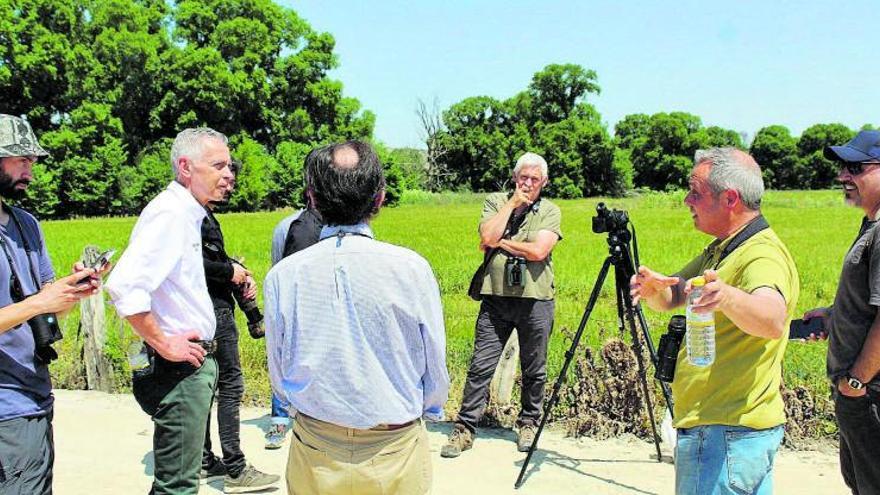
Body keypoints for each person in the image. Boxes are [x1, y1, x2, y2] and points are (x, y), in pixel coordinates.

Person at [264, 141, 448, 494]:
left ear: (313, 199)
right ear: (379, 198)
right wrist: (428, 409)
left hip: (316, 448)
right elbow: (434, 367)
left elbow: (279, 369)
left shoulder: (284, 276)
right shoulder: (411, 269)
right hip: (395, 449)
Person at [629, 147, 799, 495]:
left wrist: (727, 297)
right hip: (735, 432)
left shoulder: (760, 254)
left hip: (725, 433)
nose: (686, 200)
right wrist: (653, 289)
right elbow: (675, 294)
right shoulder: (724, 248)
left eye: (695, 191)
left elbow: (772, 318)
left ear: (730, 199)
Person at [106, 127, 233, 495]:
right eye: (218, 165)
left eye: (230, 165)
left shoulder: (187, 213)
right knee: (177, 487)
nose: (229, 174)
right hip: (178, 368)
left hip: (187, 365)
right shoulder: (171, 214)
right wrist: (164, 342)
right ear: (185, 167)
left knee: (175, 482)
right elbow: (125, 285)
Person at [0, 114, 100, 494]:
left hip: (35, 394)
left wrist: (73, 291)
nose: (31, 167)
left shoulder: (27, 224)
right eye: (21, 158)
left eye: (33, 159)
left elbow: (49, 307)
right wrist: (40, 300)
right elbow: (38, 301)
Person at [441, 152, 562, 458]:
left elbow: (538, 251)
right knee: (481, 365)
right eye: (524, 177)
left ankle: (528, 423)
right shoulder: (497, 202)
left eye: (535, 179)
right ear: (514, 177)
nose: (529, 183)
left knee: (535, 368)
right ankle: (465, 428)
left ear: (544, 182)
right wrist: (511, 205)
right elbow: (486, 234)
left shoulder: (550, 210)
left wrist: (501, 243)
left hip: (536, 300)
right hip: (495, 298)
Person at [803, 130, 880, 494]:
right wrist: (836, 314)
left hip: (869, 394)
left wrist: (856, 383)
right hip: (860, 394)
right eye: (841, 167)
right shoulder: (871, 224)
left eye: (855, 167)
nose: (842, 177)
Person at [200, 164, 279, 491]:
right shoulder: (191, 216)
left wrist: (235, 269)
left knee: (203, 387)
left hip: (205, 309)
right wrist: (229, 271)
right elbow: (192, 262)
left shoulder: (198, 213)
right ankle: (235, 468)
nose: (229, 186)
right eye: (223, 178)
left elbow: (207, 258)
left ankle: (204, 461)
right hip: (213, 312)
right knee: (230, 384)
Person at [265, 198, 322, 450]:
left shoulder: (339, 226)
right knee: (283, 358)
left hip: (322, 308)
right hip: (293, 305)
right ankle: (279, 418)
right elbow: (278, 268)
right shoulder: (286, 227)